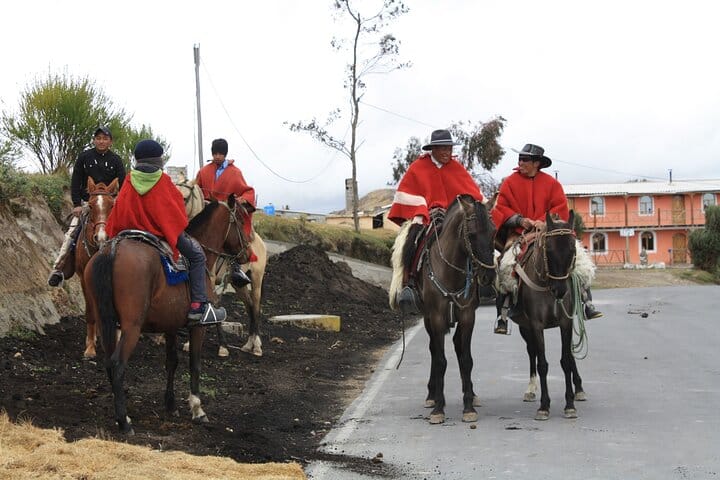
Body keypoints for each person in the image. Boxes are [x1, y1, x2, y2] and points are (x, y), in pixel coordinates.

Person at [105, 139, 226, 326]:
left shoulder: (129, 179)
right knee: (197, 255)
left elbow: (119, 208)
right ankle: (198, 307)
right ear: (158, 160)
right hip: (158, 234)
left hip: (128, 233)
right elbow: (176, 207)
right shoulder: (163, 181)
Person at [490, 143, 602, 334]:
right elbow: (501, 207)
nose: (520, 163)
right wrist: (519, 219)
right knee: (505, 264)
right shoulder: (509, 182)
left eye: (525, 160)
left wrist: (545, 222)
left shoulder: (552, 184)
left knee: (580, 260)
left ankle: (586, 301)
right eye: (520, 159)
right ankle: (503, 313)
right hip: (519, 234)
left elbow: (560, 208)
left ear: (537, 163)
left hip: (550, 232)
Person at [388, 129, 486, 314]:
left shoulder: (456, 167)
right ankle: (407, 285)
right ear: (432, 149)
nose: (447, 152)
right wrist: (426, 209)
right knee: (408, 241)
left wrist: (456, 211)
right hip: (425, 217)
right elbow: (407, 194)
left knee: (479, 237)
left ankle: (484, 279)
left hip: (456, 217)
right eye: (442, 148)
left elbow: (471, 195)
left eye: (449, 148)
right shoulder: (418, 167)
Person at [48, 126, 126, 287]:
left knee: (127, 229)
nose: (101, 141)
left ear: (110, 141)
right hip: (88, 202)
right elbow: (75, 181)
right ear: (94, 140)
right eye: (98, 138)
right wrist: (77, 204)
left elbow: (124, 183)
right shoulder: (84, 157)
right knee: (72, 231)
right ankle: (59, 268)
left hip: (109, 203)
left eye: (105, 138)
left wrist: (119, 201)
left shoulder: (116, 160)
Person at [195, 138, 255, 287]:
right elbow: (196, 189)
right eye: (214, 153)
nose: (217, 156)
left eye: (220, 153)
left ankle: (236, 267)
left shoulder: (235, 172)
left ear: (225, 154)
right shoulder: (204, 171)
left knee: (233, 236)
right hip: (207, 214)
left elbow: (248, 191)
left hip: (227, 214)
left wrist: (241, 199)